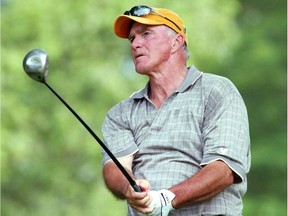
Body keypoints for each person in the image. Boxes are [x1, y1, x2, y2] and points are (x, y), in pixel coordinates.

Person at [101, 5, 251, 216]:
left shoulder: (217, 91)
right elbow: (115, 167)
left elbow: (223, 170)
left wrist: (166, 199)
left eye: (146, 34)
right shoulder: (121, 114)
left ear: (176, 42)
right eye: (132, 38)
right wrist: (129, 187)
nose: (135, 44)